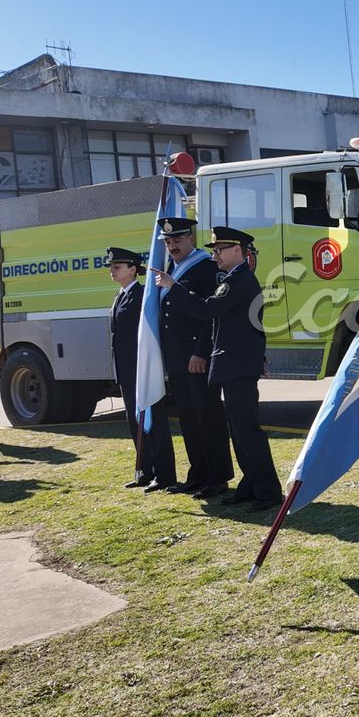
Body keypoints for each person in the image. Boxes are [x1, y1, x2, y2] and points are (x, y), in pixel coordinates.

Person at [153, 226, 281, 511]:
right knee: (238, 430)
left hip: (238, 364)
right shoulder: (233, 278)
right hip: (233, 363)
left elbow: (207, 309)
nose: (215, 255)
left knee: (247, 430)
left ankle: (268, 490)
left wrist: (175, 287)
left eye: (220, 250)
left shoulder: (240, 280)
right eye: (214, 250)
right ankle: (250, 484)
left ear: (239, 251)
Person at [155, 217, 233, 498]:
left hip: (196, 357)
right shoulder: (171, 268)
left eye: (177, 240)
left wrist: (201, 351)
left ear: (191, 238)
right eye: (168, 242)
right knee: (189, 420)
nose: (172, 246)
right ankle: (198, 473)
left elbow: (209, 316)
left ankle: (218, 476)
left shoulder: (205, 268)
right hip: (177, 358)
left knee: (208, 417)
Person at [107, 247, 177, 491]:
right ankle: (145, 470)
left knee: (153, 422)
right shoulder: (121, 295)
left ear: (133, 270)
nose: (112, 271)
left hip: (142, 371)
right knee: (135, 422)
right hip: (127, 373)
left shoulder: (140, 296)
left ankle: (164, 474)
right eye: (111, 267)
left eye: (117, 267)